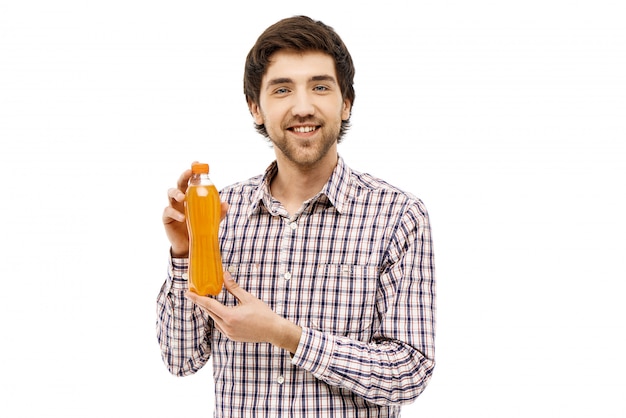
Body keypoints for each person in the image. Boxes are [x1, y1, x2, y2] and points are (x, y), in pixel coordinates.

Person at [157, 15, 436, 417]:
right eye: (282, 89)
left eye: (320, 87)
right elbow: (180, 360)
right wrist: (187, 252)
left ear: (345, 103)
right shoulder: (221, 215)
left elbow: (408, 372)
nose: (302, 107)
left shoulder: (398, 216)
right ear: (256, 108)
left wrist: (287, 336)